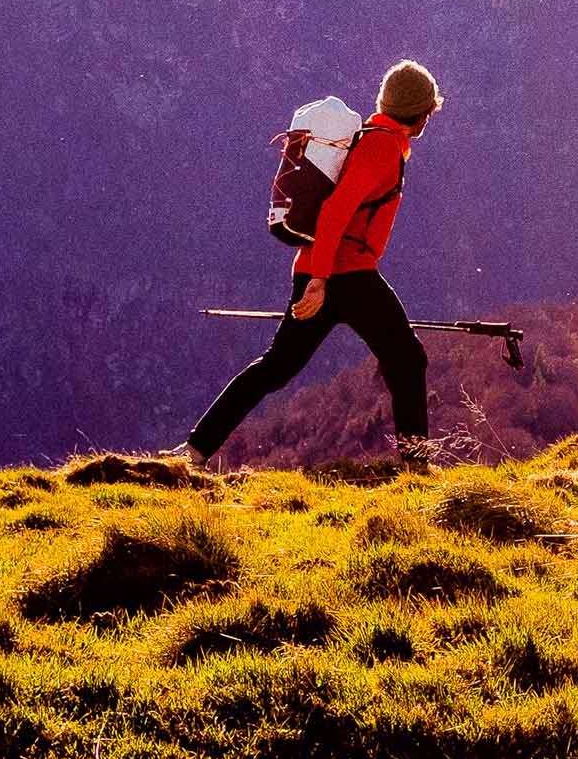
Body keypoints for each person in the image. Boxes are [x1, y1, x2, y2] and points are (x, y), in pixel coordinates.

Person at [173, 60, 443, 469]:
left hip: (320, 268)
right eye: (429, 109)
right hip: (346, 275)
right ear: (419, 112)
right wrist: (321, 281)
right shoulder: (382, 147)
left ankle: (194, 451)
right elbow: (334, 211)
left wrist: (315, 276)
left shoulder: (369, 137)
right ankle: (416, 464)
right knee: (407, 359)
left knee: (276, 368)